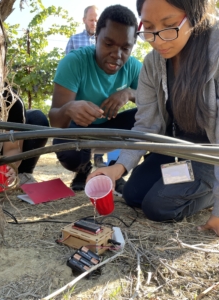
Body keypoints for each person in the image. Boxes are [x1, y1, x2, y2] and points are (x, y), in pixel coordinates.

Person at [88, 0, 219, 236]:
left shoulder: (215, 54)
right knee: (133, 194)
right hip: (175, 148)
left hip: (210, 153)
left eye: (169, 25)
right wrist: (118, 169)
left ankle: (211, 191)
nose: (157, 40)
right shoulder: (152, 64)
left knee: (159, 207)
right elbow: (147, 124)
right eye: (148, 27)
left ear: (195, 15)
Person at [49, 5, 142, 195]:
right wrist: (68, 109)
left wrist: (129, 93)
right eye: (108, 44)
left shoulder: (134, 67)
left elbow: (154, 105)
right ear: (96, 38)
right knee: (67, 149)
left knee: (148, 116)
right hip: (79, 131)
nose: (117, 55)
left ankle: (117, 171)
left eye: (125, 48)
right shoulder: (74, 62)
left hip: (111, 128)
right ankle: (83, 171)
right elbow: (55, 121)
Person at [65, 5, 105, 168]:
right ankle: (83, 167)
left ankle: (100, 158)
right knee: (83, 129)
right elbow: (67, 68)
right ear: (84, 20)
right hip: (81, 95)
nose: (94, 23)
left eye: (97, 20)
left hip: (101, 93)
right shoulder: (74, 40)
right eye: (91, 20)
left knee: (102, 125)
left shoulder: (105, 41)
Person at [1, 87, 49, 186]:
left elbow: (12, 148)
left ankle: (22, 173)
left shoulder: (10, 98)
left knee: (37, 119)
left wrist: (9, 166)